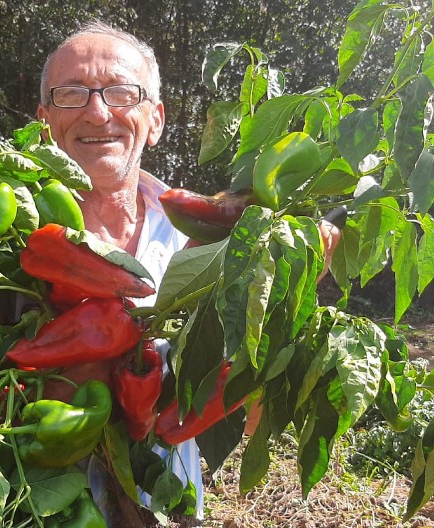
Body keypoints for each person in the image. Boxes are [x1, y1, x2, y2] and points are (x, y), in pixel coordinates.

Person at [36, 20, 341, 523]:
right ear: (44, 119)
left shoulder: (212, 243)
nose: (97, 110)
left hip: (170, 507)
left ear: (154, 119)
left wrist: (292, 294)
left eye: (120, 92)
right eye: (71, 94)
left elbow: (248, 419)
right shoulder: (8, 248)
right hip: (34, 508)